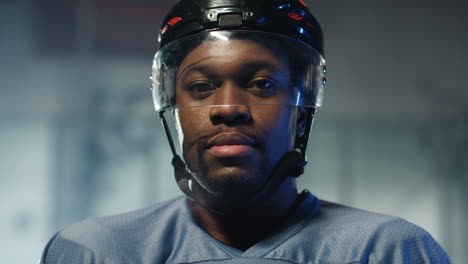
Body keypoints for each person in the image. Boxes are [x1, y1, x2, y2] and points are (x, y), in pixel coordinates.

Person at [40, 0, 451, 263]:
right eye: (201, 88)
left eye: (262, 85)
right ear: (173, 109)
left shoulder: (387, 251)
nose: (229, 108)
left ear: (302, 112)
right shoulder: (93, 252)